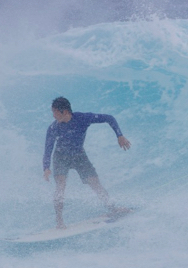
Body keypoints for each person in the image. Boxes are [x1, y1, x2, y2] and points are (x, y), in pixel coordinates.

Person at [43, 96, 131, 229]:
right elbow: (48, 148)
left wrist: (119, 135)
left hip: (79, 156)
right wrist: (46, 167)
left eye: (55, 112)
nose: (53, 115)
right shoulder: (53, 128)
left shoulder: (82, 118)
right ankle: (59, 221)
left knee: (95, 183)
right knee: (60, 187)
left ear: (64, 111)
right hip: (61, 157)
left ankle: (113, 208)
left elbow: (109, 118)